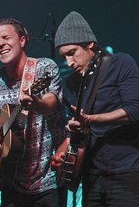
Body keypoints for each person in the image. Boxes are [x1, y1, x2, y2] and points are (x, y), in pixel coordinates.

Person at [0, 18, 68, 207]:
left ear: (22, 40)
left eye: (6, 37)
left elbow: (52, 102)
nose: (1, 44)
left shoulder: (44, 69)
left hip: (49, 180)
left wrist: (36, 102)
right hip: (11, 181)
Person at [52, 11, 139, 206]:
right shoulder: (72, 82)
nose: (69, 63)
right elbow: (79, 126)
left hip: (126, 172)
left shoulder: (120, 63)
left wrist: (92, 119)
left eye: (72, 53)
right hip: (90, 174)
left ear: (89, 43)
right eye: (64, 56)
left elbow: (135, 110)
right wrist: (64, 147)